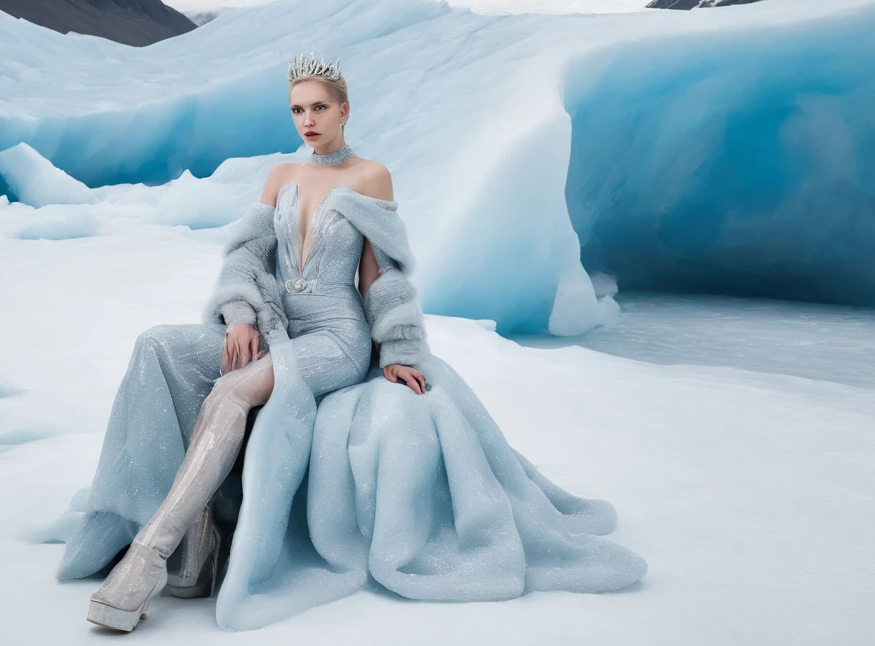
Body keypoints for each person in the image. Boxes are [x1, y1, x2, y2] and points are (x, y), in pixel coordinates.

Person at [55, 53, 647, 633]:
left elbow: (379, 275)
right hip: (274, 324)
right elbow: (247, 255)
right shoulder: (282, 176)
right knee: (156, 344)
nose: (307, 120)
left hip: (336, 337)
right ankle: (190, 530)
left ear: (343, 110)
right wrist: (239, 314)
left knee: (234, 391)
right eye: (296, 110)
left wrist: (396, 352)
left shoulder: (370, 175)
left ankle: (150, 557)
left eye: (318, 107)